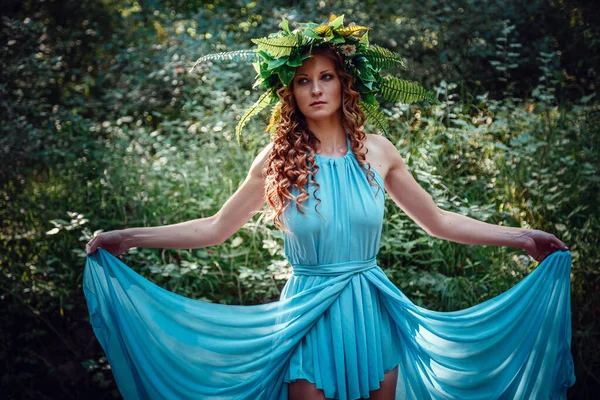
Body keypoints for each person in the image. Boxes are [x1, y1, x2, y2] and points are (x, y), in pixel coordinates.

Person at [84, 16, 575, 400]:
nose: (316, 89)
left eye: (325, 77)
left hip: (371, 309)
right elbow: (215, 228)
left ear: (345, 84)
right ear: (289, 93)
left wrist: (522, 237)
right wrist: (126, 238)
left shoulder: (379, 152)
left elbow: (438, 221)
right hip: (305, 314)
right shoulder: (275, 161)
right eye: (302, 81)